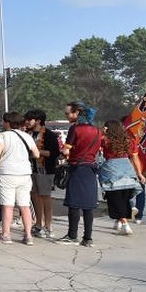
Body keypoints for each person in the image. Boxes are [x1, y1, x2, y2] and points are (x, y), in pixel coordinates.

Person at [0, 111, 40, 245]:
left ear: (7, 122)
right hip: (24, 174)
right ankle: (28, 236)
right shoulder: (26, 136)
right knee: (25, 205)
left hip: (6, 174)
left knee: (7, 206)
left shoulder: (3, 136)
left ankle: (6, 235)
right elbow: (36, 154)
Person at [57, 102, 101, 246]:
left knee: (74, 204)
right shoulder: (97, 130)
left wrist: (61, 156)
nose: (66, 116)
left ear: (77, 113)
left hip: (77, 168)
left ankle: (72, 235)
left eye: (68, 113)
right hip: (90, 169)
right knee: (89, 205)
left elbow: (66, 151)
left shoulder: (75, 129)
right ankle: (88, 238)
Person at [99, 120, 143, 236]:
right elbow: (135, 158)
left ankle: (124, 224)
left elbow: (97, 141)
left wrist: (103, 132)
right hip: (127, 170)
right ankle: (119, 221)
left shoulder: (105, 140)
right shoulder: (129, 141)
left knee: (115, 198)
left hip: (112, 171)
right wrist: (139, 173)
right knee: (124, 197)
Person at [25, 109, 60, 238]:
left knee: (45, 197)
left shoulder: (49, 135)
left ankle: (49, 226)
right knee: (35, 197)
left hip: (45, 170)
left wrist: (37, 152)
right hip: (30, 170)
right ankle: (38, 224)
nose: (27, 122)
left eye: (30, 120)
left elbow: (55, 153)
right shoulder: (26, 134)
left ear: (38, 121)